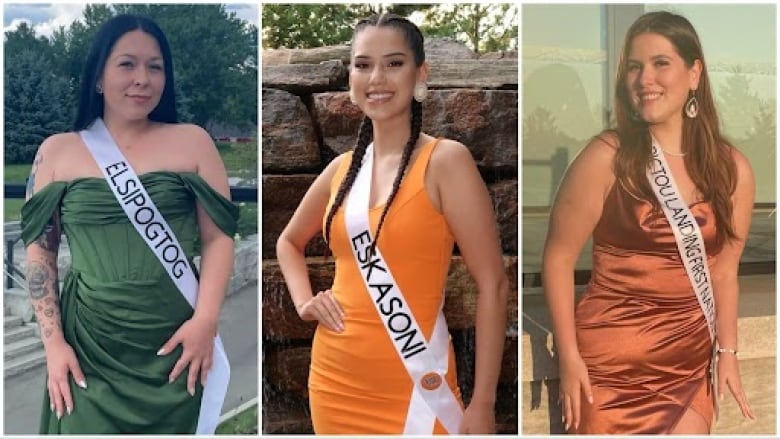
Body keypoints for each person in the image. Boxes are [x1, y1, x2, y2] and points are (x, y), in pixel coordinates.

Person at [276, 12, 509, 435]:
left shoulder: (446, 162)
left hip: (417, 385)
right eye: (363, 64)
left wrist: (483, 403)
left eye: (394, 63)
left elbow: (492, 283)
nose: (376, 77)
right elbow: (288, 242)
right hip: (334, 382)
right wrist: (303, 301)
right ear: (351, 77)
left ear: (421, 73)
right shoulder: (341, 171)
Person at [22, 14, 238, 434]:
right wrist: (54, 345)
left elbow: (218, 239)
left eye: (155, 67)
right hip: (88, 349)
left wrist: (205, 322)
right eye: (127, 64)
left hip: (177, 345)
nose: (143, 78)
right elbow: (40, 251)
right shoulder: (56, 152)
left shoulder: (193, 142)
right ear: (98, 77)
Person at [543, 11, 756, 434]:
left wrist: (727, 351)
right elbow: (558, 258)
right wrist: (569, 357)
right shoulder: (607, 156)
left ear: (694, 73)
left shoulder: (732, 169)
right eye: (635, 67)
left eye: (661, 63)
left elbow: (725, 271)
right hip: (608, 372)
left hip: (689, 367)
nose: (645, 79)